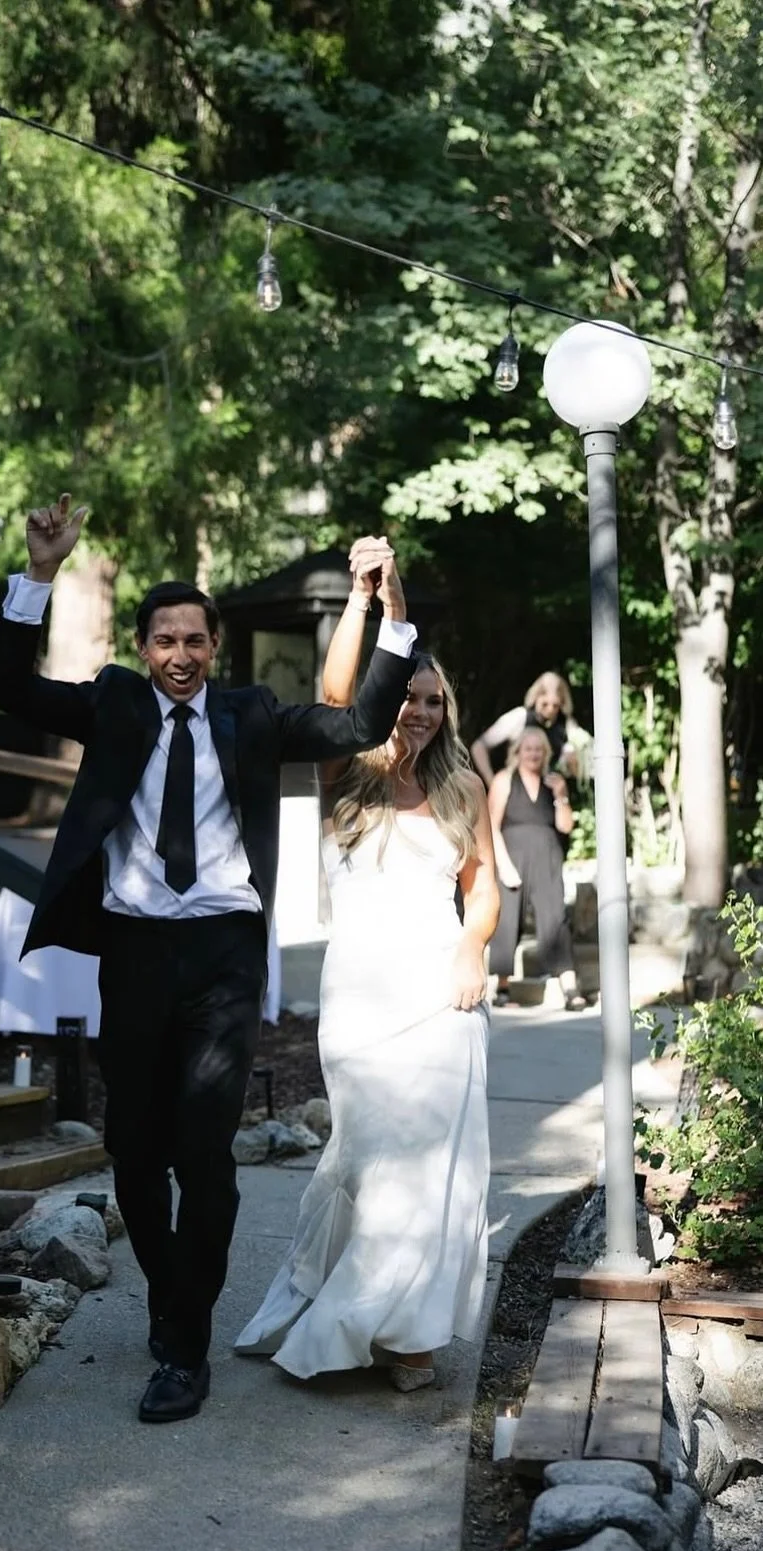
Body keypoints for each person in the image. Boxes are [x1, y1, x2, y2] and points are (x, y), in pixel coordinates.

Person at [0, 495, 418, 1423]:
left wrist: (388, 609)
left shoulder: (251, 713)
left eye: (195, 641)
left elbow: (358, 724)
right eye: (164, 640)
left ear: (214, 649)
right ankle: (174, 1293)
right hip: (133, 953)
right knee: (135, 1155)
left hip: (222, 954)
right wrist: (41, 574)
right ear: (144, 647)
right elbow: (7, 691)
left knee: (203, 1154)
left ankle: (184, 1348)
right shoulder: (111, 704)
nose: (180, 655)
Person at [235, 559, 499, 1390]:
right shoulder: (345, 774)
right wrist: (370, 600)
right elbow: (338, 683)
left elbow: (483, 886)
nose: (417, 711)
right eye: (407, 695)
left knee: (437, 1169)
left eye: (432, 700)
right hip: (361, 1004)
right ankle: (352, 1311)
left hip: (441, 1000)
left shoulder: (462, 786)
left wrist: (472, 950)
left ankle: (409, 1336)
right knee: (374, 1162)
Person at [488, 726, 586, 1011]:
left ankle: (569, 986)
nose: (533, 753)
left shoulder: (553, 782)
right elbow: (491, 825)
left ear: (546, 754)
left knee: (555, 918)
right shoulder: (504, 780)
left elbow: (565, 826)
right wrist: (503, 864)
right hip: (512, 855)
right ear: (518, 751)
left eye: (539, 749)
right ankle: (502, 988)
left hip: (547, 857)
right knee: (506, 920)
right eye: (528, 748)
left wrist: (561, 794)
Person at [470, 671, 581, 786]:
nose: (550, 710)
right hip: (515, 789)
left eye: (555, 706)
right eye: (545, 704)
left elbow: (576, 770)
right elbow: (478, 747)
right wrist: (492, 783)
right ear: (536, 697)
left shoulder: (566, 727)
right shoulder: (520, 717)